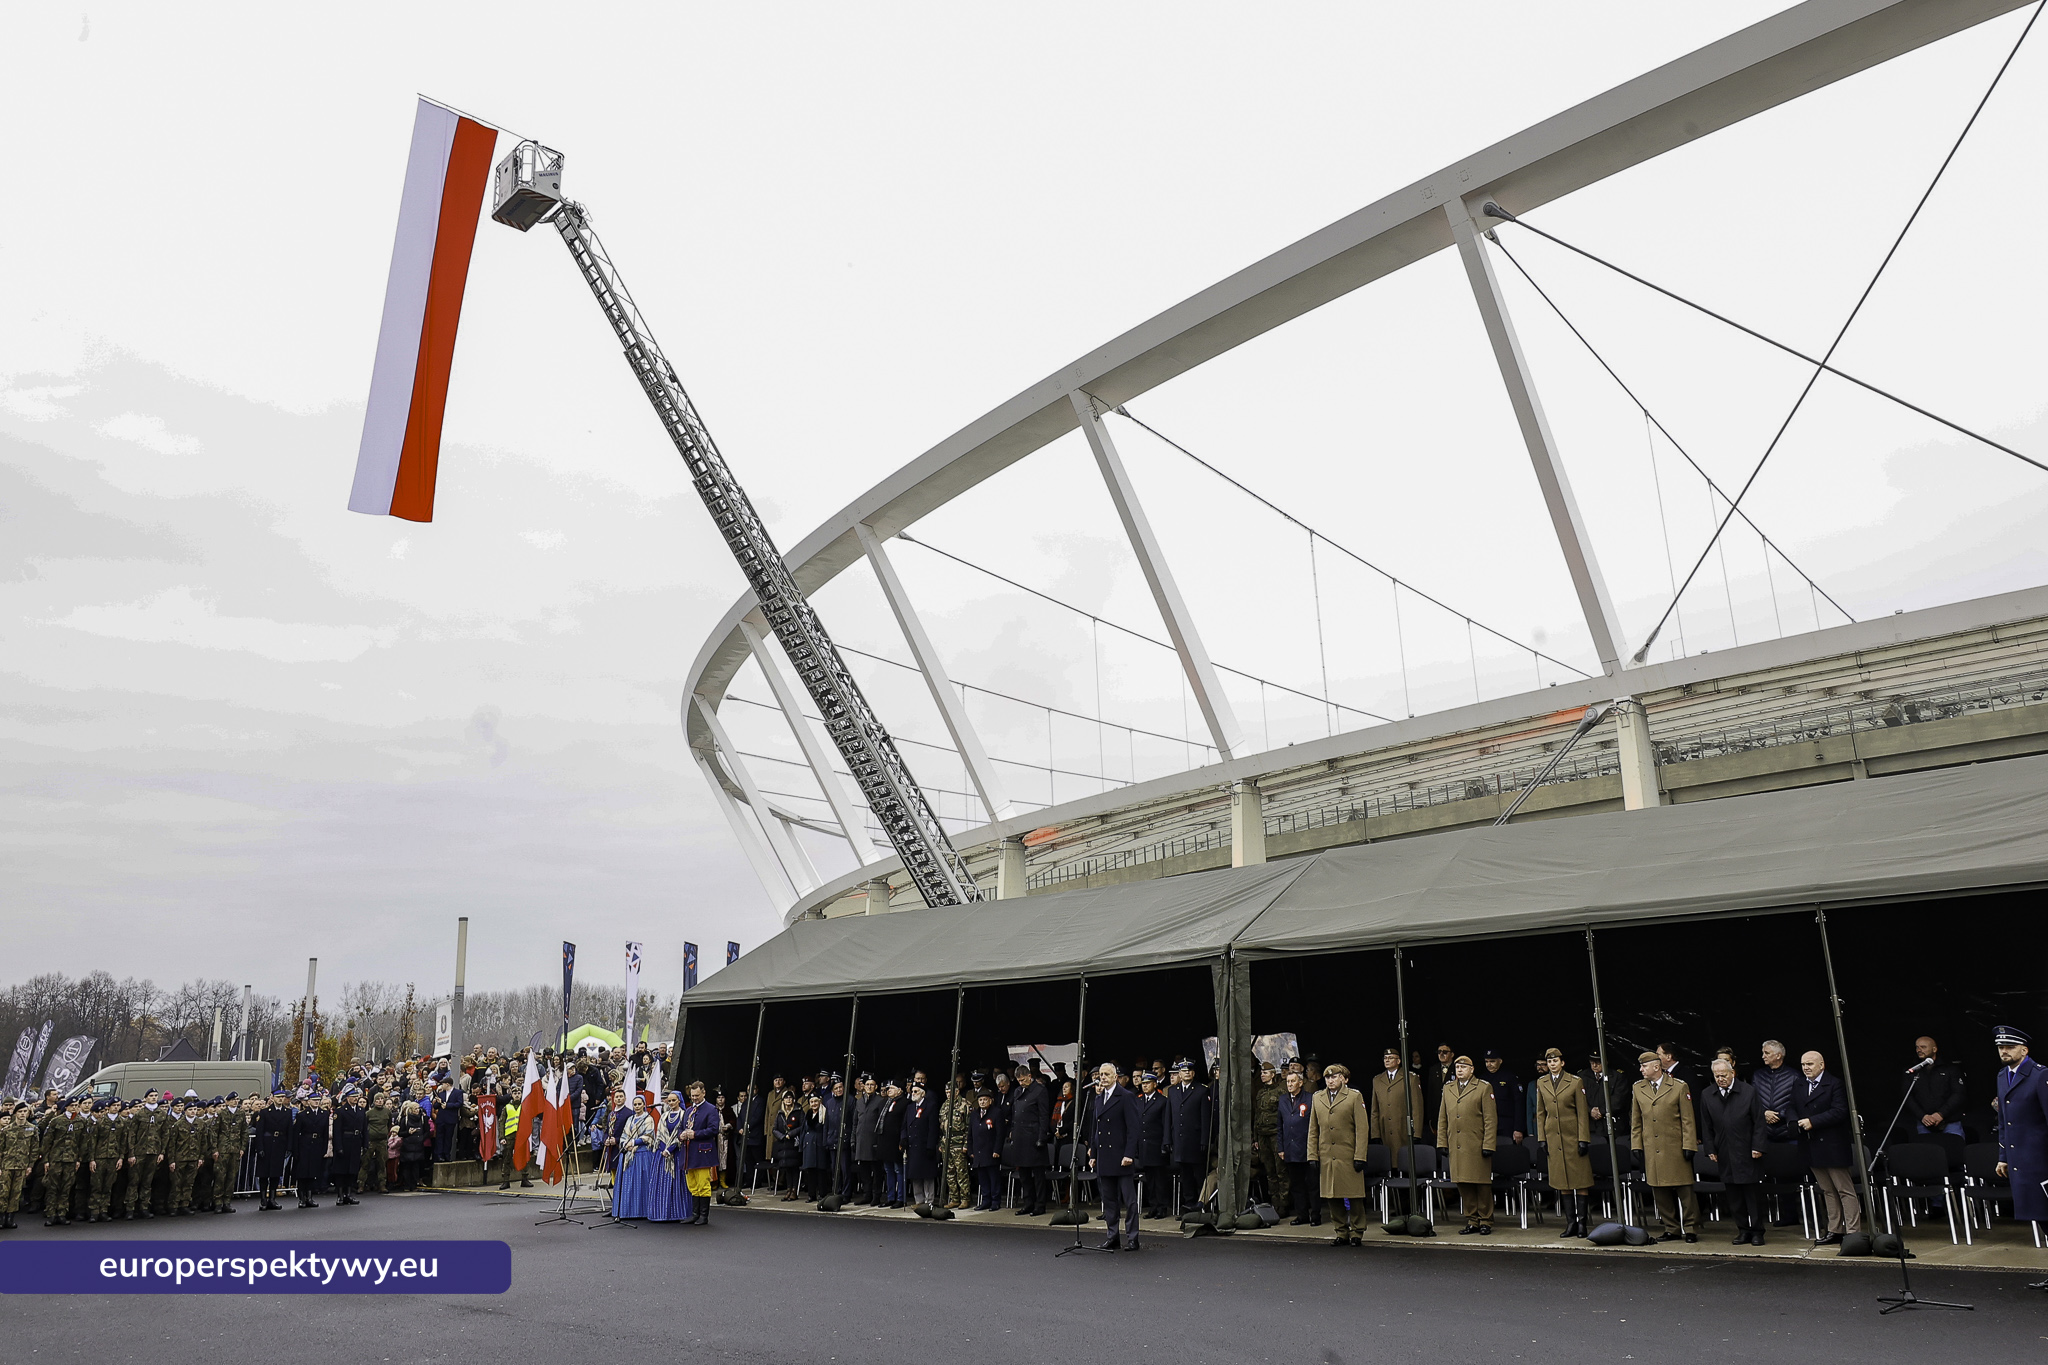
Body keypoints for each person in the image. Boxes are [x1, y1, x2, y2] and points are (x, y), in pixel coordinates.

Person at [1785, 1049, 1858, 1243]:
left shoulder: (1834, 1084)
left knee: (1844, 1189)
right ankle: (1835, 1230)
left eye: (1809, 1064)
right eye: (1803, 1064)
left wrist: (1813, 1121)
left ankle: (1853, 1232)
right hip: (1810, 1144)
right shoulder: (1799, 1083)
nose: (1806, 1068)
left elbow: (1840, 1111)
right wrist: (1793, 1122)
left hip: (1832, 1144)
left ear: (1821, 1065)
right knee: (1827, 1189)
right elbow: (1791, 1106)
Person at [1697, 1056, 1767, 1246]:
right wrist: (1710, 1148)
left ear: (1732, 1073)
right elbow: (1706, 1125)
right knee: (1734, 1196)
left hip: (1747, 1150)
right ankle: (1743, 1230)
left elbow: (1759, 1122)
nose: (1721, 1079)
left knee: (1752, 1194)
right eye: (1717, 1076)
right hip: (1724, 1151)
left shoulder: (1748, 1091)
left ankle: (1757, 1231)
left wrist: (1758, 1146)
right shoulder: (1707, 1094)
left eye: (1724, 1075)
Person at [1631, 1050, 1698, 1243]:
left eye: (1644, 1066)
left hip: (1675, 1146)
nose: (1641, 1069)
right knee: (1659, 1191)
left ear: (1656, 1066)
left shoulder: (1678, 1086)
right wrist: (1636, 1145)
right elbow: (1636, 1120)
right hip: (1652, 1147)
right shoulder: (1638, 1088)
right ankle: (1671, 1228)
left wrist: (1689, 1145)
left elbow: (1687, 1120)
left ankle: (1690, 1228)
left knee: (1684, 1190)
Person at [1533, 1048, 1594, 1239]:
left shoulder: (1574, 1081)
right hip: (1553, 1137)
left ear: (1562, 1062)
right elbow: (1540, 1112)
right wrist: (1542, 1138)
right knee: (1562, 1181)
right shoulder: (1542, 1082)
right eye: (1549, 1062)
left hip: (1572, 1136)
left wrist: (1583, 1139)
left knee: (1580, 1180)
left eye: (1555, 1061)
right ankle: (1571, 1223)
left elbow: (1582, 1113)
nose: (1552, 1064)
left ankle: (1582, 1223)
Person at [1993, 1025, 2048, 1236]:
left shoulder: (2040, 1075)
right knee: (2039, 1216)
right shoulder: (2002, 1076)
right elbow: (2004, 1121)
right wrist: (2003, 1156)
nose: (2004, 1051)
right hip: (2020, 1160)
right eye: (2001, 1047)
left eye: (2010, 1047)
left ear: (2024, 1050)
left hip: (2040, 1159)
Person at [1308, 1062, 1370, 1245]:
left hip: (1348, 1154)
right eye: (1327, 1077)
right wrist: (1312, 1155)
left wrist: (1360, 1156)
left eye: (1334, 1077)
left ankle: (1357, 1232)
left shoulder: (1354, 1096)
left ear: (1343, 1078)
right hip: (1327, 1155)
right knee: (1332, 1195)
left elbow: (1362, 1129)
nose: (1330, 1080)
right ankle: (1341, 1231)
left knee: (1354, 1195)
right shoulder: (1317, 1098)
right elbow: (1313, 1129)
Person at [1085, 1061, 1141, 1251]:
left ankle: (1132, 1237)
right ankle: (1112, 1236)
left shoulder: (1126, 1096)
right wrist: (1093, 1153)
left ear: (1115, 1077)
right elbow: (1097, 1129)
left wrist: (1129, 1154)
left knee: (1129, 1200)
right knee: (1109, 1200)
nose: (1103, 1078)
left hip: (1121, 1155)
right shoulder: (1098, 1098)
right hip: (1105, 1156)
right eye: (1101, 1074)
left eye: (1107, 1074)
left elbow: (1133, 1128)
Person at [1437, 1055, 1496, 1235]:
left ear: (1472, 1069)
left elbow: (1490, 1119)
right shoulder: (1448, 1088)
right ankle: (1472, 1219)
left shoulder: (1483, 1087)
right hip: (1456, 1144)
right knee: (1462, 1183)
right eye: (1457, 1067)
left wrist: (1489, 1144)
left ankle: (1485, 1219)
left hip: (1476, 1144)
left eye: (1464, 1067)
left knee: (1481, 1183)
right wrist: (1442, 1141)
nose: (1460, 1070)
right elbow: (1442, 1117)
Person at [1369, 1048, 1424, 1217]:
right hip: (1386, 1132)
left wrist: (1416, 1133)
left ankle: (1411, 1207)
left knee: (1407, 1170)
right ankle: (1396, 1206)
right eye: (1385, 1057)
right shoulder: (1377, 1080)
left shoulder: (1410, 1078)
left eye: (1391, 1057)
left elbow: (1417, 1107)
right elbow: (1374, 1110)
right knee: (1391, 1172)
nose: (1387, 1060)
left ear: (1399, 1061)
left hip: (1403, 1132)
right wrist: (1375, 1134)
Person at [1004, 1065, 1051, 1216]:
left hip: (1033, 1135)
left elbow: (1044, 1115)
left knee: (1038, 1175)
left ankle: (1040, 1204)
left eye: (1023, 1080)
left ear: (1029, 1076)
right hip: (1020, 1136)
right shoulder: (1018, 1091)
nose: (1021, 1083)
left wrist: (1042, 1137)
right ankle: (1028, 1203)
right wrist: (1012, 1131)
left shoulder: (1040, 1090)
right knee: (1024, 1175)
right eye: (1019, 1081)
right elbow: (1014, 1113)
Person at [1166, 1059, 1210, 1215]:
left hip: (1195, 1141)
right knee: (1185, 1177)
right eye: (1184, 1071)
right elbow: (1169, 1117)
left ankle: (1201, 1206)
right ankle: (1188, 1207)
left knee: (1199, 1176)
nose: (1187, 1073)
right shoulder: (1172, 1091)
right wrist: (1167, 1139)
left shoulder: (1201, 1090)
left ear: (1194, 1073)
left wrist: (1205, 1140)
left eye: (1189, 1071)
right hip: (1179, 1141)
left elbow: (1205, 1118)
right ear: (1179, 1073)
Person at [1905, 1036, 1967, 1138]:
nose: (1919, 1050)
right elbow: (1907, 1096)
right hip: (1924, 1122)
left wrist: (1941, 1114)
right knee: (1925, 1147)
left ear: (1934, 1049)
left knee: (1954, 1146)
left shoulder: (1949, 1068)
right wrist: (1922, 1116)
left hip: (1950, 1121)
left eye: (1923, 1047)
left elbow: (1959, 1094)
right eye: (1917, 1047)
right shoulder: (1913, 1070)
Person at [37, 1098, 86, 1227]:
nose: (74, 1108)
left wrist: (79, 1159)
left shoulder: (81, 1121)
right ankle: (51, 1214)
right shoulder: (56, 1121)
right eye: (72, 1105)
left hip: (71, 1159)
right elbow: (47, 1141)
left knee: (66, 1188)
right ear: (66, 1107)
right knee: (52, 1187)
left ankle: (62, 1213)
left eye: (76, 1105)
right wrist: (46, 1160)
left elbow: (83, 1142)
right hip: (56, 1159)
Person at [1277, 1068, 1316, 1226]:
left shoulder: (1310, 1098)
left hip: (1307, 1148)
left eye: (1293, 1081)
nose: (1290, 1084)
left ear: (1300, 1083)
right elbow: (1279, 1125)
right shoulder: (1283, 1100)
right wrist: (1281, 1148)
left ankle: (1316, 1215)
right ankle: (1302, 1215)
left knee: (1312, 1184)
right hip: (1290, 1149)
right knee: (1296, 1185)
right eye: (1288, 1081)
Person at [678, 1080, 720, 1225]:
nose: (694, 1098)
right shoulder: (688, 1110)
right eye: (692, 1096)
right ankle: (694, 1214)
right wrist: (681, 1135)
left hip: (703, 1153)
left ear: (704, 1093)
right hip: (688, 1153)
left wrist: (695, 1134)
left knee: (703, 1184)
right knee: (692, 1184)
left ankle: (703, 1216)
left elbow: (714, 1129)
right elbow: (681, 1127)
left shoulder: (711, 1109)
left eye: (697, 1095)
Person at [125, 1089, 171, 1219]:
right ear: (145, 1098)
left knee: (147, 1181)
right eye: (151, 1096)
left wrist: (162, 1152)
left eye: (156, 1096)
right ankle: (130, 1208)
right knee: (134, 1181)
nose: (154, 1098)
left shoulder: (162, 1114)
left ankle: (144, 1207)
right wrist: (131, 1153)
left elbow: (165, 1134)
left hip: (154, 1152)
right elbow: (132, 1134)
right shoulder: (140, 1114)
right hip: (139, 1152)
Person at [613, 1095, 658, 1218]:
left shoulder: (648, 1118)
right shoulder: (630, 1119)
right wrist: (624, 1143)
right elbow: (624, 1134)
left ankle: (642, 1211)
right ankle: (627, 1211)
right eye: (635, 1104)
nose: (637, 1106)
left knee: (641, 1183)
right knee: (628, 1184)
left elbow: (649, 1136)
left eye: (639, 1104)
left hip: (642, 1154)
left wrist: (633, 1142)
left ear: (644, 1105)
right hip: (628, 1154)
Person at [1135, 1071, 1170, 1219]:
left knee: (1159, 1179)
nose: (1145, 1086)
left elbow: (1166, 1125)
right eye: (1143, 1084)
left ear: (1155, 1084)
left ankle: (1162, 1207)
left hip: (1157, 1145)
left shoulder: (1162, 1101)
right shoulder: (1138, 1100)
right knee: (1149, 1179)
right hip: (1144, 1146)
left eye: (1148, 1083)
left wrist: (1165, 1144)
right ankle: (1153, 1206)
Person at [646, 1094, 687, 1222]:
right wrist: (664, 1148)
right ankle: (661, 1212)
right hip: (662, 1153)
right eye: (669, 1101)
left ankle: (677, 1212)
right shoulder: (664, 1116)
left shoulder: (684, 1115)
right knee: (661, 1183)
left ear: (679, 1101)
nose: (671, 1103)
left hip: (677, 1153)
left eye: (674, 1100)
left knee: (677, 1182)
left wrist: (670, 1149)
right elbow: (660, 1135)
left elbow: (682, 1134)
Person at [1252, 1061, 1285, 1212]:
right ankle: (1274, 1203)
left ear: (1272, 1075)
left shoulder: (1280, 1092)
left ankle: (1283, 1204)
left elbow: (1283, 1115)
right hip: (1263, 1135)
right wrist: (1255, 1138)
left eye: (1265, 1073)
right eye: (1262, 1073)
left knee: (1281, 1171)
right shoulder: (1260, 1093)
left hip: (1275, 1134)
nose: (1262, 1075)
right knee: (1269, 1171)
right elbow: (1257, 1115)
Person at [291, 1091, 331, 1209]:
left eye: (318, 1100)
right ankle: (302, 1198)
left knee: (313, 1172)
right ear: (308, 1102)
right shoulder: (302, 1115)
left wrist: (324, 1148)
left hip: (317, 1144)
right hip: (304, 1144)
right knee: (303, 1173)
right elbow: (296, 1133)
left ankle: (309, 1197)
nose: (316, 1102)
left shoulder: (324, 1114)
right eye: (314, 1100)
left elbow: (325, 1133)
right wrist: (295, 1150)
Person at [253, 1093, 292, 1210]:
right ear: (273, 1098)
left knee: (275, 1174)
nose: (280, 1099)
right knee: (264, 1174)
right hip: (267, 1143)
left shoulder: (287, 1112)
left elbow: (289, 1130)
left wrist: (289, 1147)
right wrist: (259, 1147)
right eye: (278, 1097)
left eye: (282, 1097)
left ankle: (272, 1199)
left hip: (280, 1144)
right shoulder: (265, 1112)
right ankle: (263, 1199)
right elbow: (259, 1131)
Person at [0, 1103, 36, 1229]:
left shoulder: (32, 1129)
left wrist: (30, 1166)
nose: (22, 1114)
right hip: (6, 1165)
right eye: (20, 1111)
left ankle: (10, 1218)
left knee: (16, 1193)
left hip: (22, 1165)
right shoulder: (6, 1129)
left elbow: (34, 1149)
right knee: (3, 1192)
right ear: (15, 1113)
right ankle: (2, 1217)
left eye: (25, 1111)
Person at [941, 1077, 973, 1210]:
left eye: (951, 1092)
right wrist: (941, 1143)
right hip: (946, 1143)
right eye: (947, 1092)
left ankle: (965, 1198)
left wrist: (966, 1144)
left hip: (959, 1143)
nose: (948, 1094)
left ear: (957, 1091)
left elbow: (968, 1128)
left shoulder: (965, 1105)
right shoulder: (945, 1105)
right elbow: (941, 1125)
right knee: (949, 1173)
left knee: (961, 1172)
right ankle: (954, 1198)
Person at [968, 1088, 1003, 1211]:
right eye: (980, 1100)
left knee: (993, 1178)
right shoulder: (974, 1114)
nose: (982, 1102)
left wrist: (997, 1150)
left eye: (985, 1100)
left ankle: (995, 1201)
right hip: (978, 1151)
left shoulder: (996, 1113)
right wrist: (970, 1151)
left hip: (991, 1151)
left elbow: (1000, 1134)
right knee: (982, 1179)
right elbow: (970, 1134)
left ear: (990, 1101)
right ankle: (986, 1200)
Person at [1482, 1051, 1524, 1147]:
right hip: (1487, 1124)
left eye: (1492, 1061)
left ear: (1500, 1061)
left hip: (1507, 1123)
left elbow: (1519, 1103)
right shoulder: (1482, 1079)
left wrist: (1518, 1128)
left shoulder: (1510, 1077)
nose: (1489, 1064)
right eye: (1486, 1061)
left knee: (1507, 1151)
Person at [772, 1094, 804, 1199]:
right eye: (786, 1098)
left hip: (794, 1143)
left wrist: (791, 1134)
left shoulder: (798, 1111)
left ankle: (794, 1190)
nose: (788, 1100)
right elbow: (774, 1129)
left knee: (794, 1167)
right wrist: (782, 1136)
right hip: (784, 1144)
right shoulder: (780, 1113)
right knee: (787, 1168)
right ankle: (788, 1189)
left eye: (790, 1098)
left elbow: (802, 1126)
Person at [395, 1100, 428, 1192]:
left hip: (418, 1145)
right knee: (407, 1166)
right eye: (415, 1109)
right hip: (407, 1145)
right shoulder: (405, 1120)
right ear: (411, 1110)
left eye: (418, 1108)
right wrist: (408, 1133)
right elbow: (400, 1133)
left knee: (415, 1167)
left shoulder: (423, 1119)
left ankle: (413, 1185)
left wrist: (421, 1138)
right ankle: (407, 1185)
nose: (417, 1110)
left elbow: (427, 1131)